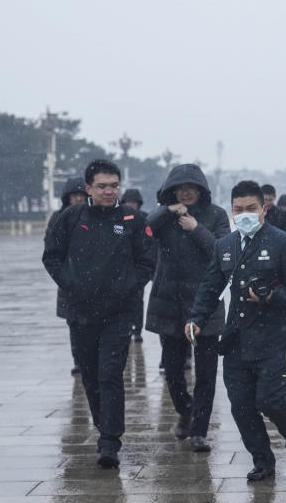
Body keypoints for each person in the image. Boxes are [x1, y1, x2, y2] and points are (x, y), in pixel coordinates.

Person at [187, 180, 286, 481]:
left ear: (263, 210)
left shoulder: (283, 242)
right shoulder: (225, 245)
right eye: (238, 209)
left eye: (250, 209)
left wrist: (271, 296)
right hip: (237, 338)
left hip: (274, 337)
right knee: (240, 404)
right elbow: (211, 285)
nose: (244, 214)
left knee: (270, 400)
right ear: (231, 210)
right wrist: (196, 318)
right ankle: (262, 460)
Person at [43, 159, 156, 468]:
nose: (109, 191)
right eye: (102, 186)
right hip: (81, 312)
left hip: (119, 313)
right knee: (90, 376)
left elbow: (148, 261)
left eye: (114, 186)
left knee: (110, 374)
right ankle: (102, 423)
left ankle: (110, 439)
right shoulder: (70, 218)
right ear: (88, 188)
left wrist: (128, 287)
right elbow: (51, 256)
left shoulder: (133, 219)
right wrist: (71, 284)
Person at [145, 164, 231, 452]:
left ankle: (199, 430)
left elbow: (223, 251)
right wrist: (168, 211)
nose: (185, 192)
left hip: (205, 303)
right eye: (179, 188)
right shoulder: (164, 216)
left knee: (206, 372)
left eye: (190, 188)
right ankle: (185, 409)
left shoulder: (216, 215)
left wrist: (197, 229)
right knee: (172, 370)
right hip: (169, 303)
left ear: (201, 190)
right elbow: (145, 230)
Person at [50, 176, 89, 375]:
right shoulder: (58, 218)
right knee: (74, 325)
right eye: (74, 196)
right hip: (70, 282)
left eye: (81, 195)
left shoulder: (96, 215)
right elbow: (51, 250)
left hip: (96, 282)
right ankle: (78, 360)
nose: (78, 199)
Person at [120, 188, 149, 343]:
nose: (131, 205)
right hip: (120, 268)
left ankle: (137, 330)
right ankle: (125, 329)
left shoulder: (144, 218)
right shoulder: (117, 217)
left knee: (138, 302)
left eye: (134, 202)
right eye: (128, 202)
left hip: (138, 268)